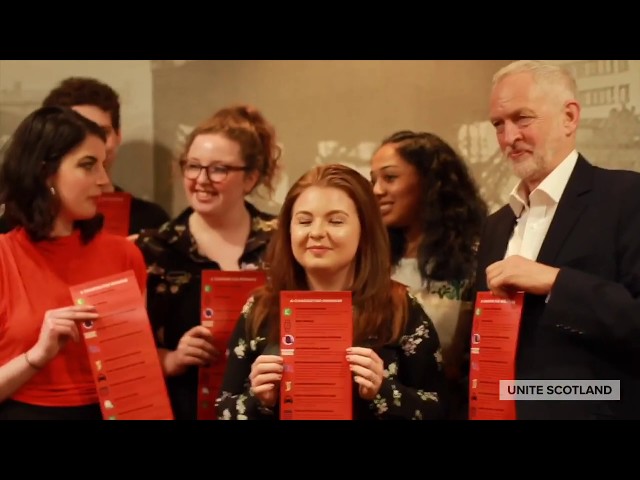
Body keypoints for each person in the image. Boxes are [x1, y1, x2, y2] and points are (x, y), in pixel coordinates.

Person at [215, 163, 446, 420]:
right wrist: (259, 399)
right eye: (304, 221)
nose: (316, 233)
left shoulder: (399, 307)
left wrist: (383, 391)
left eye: (336, 221)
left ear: (364, 229)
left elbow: (437, 409)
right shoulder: (261, 307)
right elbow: (225, 409)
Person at [477, 60, 640, 420]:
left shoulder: (626, 197)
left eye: (523, 118)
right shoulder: (495, 227)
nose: (508, 137)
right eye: (498, 124)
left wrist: (554, 282)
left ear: (569, 117)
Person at [0, 106, 147, 420]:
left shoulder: (124, 255)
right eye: (88, 165)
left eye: (103, 165)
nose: (104, 180)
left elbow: (135, 375)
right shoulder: (3, 257)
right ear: (45, 172)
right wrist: (37, 356)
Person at [135, 104, 281, 420]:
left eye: (218, 169)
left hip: (266, 408)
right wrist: (171, 358)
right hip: (181, 407)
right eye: (193, 166)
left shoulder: (282, 241)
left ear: (250, 178)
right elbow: (123, 355)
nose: (201, 180)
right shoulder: (152, 248)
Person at [370, 130, 487, 418]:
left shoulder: (477, 257)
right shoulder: (370, 259)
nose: (376, 190)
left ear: (430, 183)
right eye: (373, 180)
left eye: (390, 178)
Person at [0, 77, 170, 236]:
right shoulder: (11, 224)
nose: (91, 142)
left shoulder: (151, 220)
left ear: (118, 135)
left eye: (102, 132)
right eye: (77, 133)